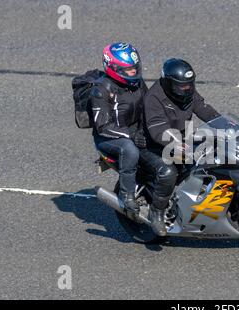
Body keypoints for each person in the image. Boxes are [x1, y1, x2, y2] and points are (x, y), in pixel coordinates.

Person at [141, 58, 220, 236]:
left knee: (212, 157)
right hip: (153, 145)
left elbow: (203, 108)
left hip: (180, 139)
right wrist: (177, 144)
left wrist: (225, 125)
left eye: (190, 85)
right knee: (169, 173)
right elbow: (158, 130)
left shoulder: (186, 91)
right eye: (182, 86)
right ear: (169, 83)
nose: (187, 89)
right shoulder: (154, 98)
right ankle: (157, 213)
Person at [91, 42, 148, 214]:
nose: (133, 72)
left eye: (135, 68)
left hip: (133, 130)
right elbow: (102, 126)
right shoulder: (101, 90)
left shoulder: (137, 83)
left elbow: (149, 105)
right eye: (128, 70)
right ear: (113, 68)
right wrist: (131, 135)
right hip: (109, 138)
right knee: (130, 150)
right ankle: (126, 195)